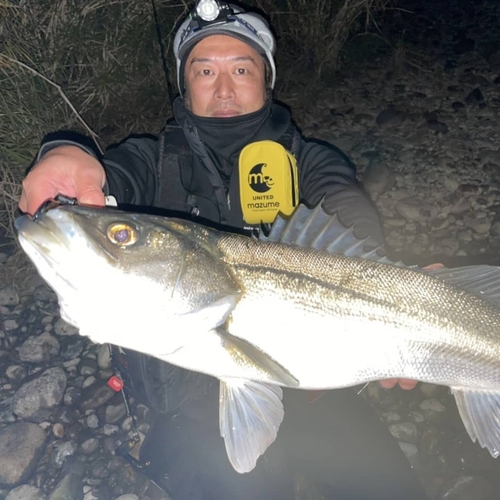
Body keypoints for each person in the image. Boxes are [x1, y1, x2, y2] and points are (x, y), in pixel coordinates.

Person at [19, 1, 425, 498]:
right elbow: (105, 175)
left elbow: (345, 208)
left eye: (242, 68)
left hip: (319, 393)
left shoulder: (310, 160)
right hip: (188, 410)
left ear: (266, 80)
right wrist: (65, 152)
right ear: (185, 83)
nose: (224, 87)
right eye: (205, 70)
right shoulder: (149, 161)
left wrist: (408, 294)